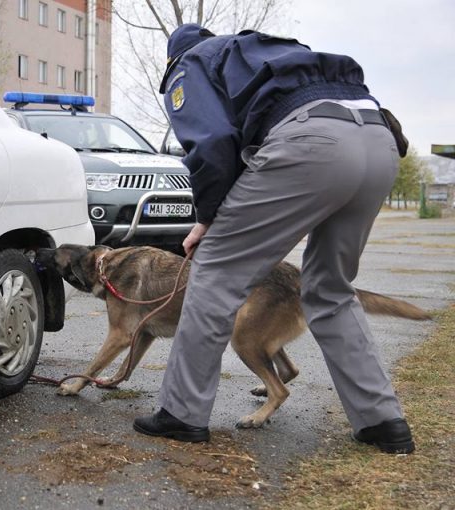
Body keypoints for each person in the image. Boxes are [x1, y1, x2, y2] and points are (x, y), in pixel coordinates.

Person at [132, 24, 415, 454]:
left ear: (173, 60)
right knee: (331, 289)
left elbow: (212, 143)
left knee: (215, 272)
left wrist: (207, 219)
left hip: (311, 141)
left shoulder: (190, 63)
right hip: (379, 140)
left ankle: (181, 414)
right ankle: (382, 422)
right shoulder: (268, 52)